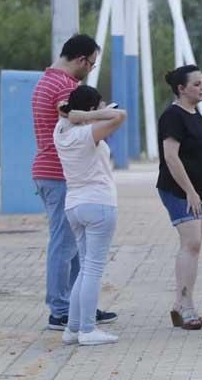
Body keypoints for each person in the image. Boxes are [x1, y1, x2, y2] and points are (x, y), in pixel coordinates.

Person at [30, 33, 117, 330]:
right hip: (60, 173)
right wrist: (104, 114)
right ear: (80, 60)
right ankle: (60, 309)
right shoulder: (63, 85)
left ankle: (81, 306)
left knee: (77, 246)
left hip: (52, 171)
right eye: (91, 64)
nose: (90, 70)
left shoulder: (46, 79)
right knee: (64, 244)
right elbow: (67, 114)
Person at [156, 65, 202, 330]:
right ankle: (186, 306)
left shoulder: (195, 113)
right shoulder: (173, 116)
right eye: (197, 84)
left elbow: (200, 144)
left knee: (193, 247)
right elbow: (171, 157)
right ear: (181, 88)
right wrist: (189, 191)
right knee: (192, 244)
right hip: (181, 190)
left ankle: (180, 304)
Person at [54, 86, 127, 346]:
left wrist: (81, 114)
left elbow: (63, 107)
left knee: (85, 268)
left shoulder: (61, 131)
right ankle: (87, 329)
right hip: (98, 203)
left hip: (74, 204)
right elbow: (120, 117)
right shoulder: (87, 132)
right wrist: (95, 115)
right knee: (93, 269)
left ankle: (72, 329)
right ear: (90, 110)